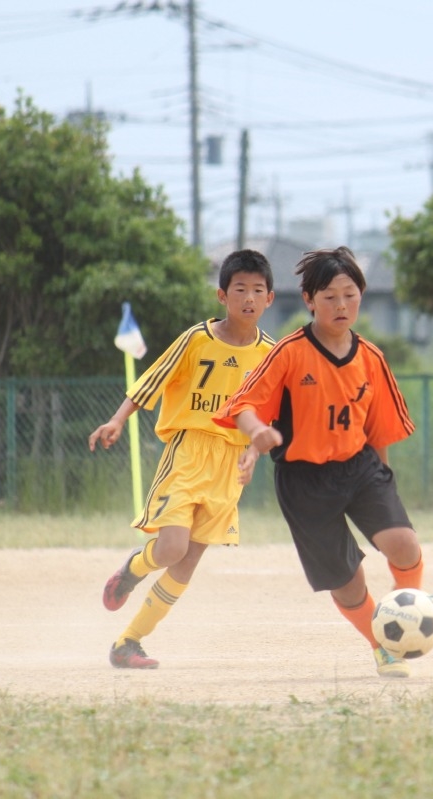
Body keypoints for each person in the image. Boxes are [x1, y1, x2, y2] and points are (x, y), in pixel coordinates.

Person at [213, 246, 433, 679]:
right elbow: (243, 405)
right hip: (304, 481)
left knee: (404, 543)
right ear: (309, 300)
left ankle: (413, 607)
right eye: (329, 297)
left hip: (359, 468)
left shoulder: (371, 358)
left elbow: (380, 429)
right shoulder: (289, 352)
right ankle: (383, 646)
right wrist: (257, 432)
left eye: (350, 295)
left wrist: (385, 484)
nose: (341, 305)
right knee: (348, 583)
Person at [88, 249, 276, 668]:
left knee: (188, 562)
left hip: (230, 465)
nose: (248, 298)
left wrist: (252, 453)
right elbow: (153, 378)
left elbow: (266, 415)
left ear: (270, 299)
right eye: (239, 289)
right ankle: (133, 570)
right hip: (189, 451)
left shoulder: (271, 353)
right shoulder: (197, 338)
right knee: (172, 547)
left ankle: (128, 643)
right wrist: (117, 420)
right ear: (222, 296)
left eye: (257, 290)